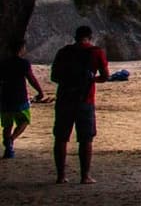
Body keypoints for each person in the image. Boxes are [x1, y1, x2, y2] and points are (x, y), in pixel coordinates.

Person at [50, 25, 109, 184]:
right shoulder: (96, 52)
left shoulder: (63, 52)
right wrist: (91, 80)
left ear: (75, 37)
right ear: (90, 37)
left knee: (61, 138)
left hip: (64, 99)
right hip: (85, 100)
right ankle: (85, 176)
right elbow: (105, 76)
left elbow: (54, 77)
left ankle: (61, 176)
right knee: (86, 139)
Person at [2, 37, 47, 159]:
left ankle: (8, 149)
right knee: (24, 121)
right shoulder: (24, 63)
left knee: (7, 125)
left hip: (5, 98)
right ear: (21, 49)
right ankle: (11, 139)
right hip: (19, 97)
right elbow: (31, 79)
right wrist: (40, 91)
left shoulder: (3, 63)